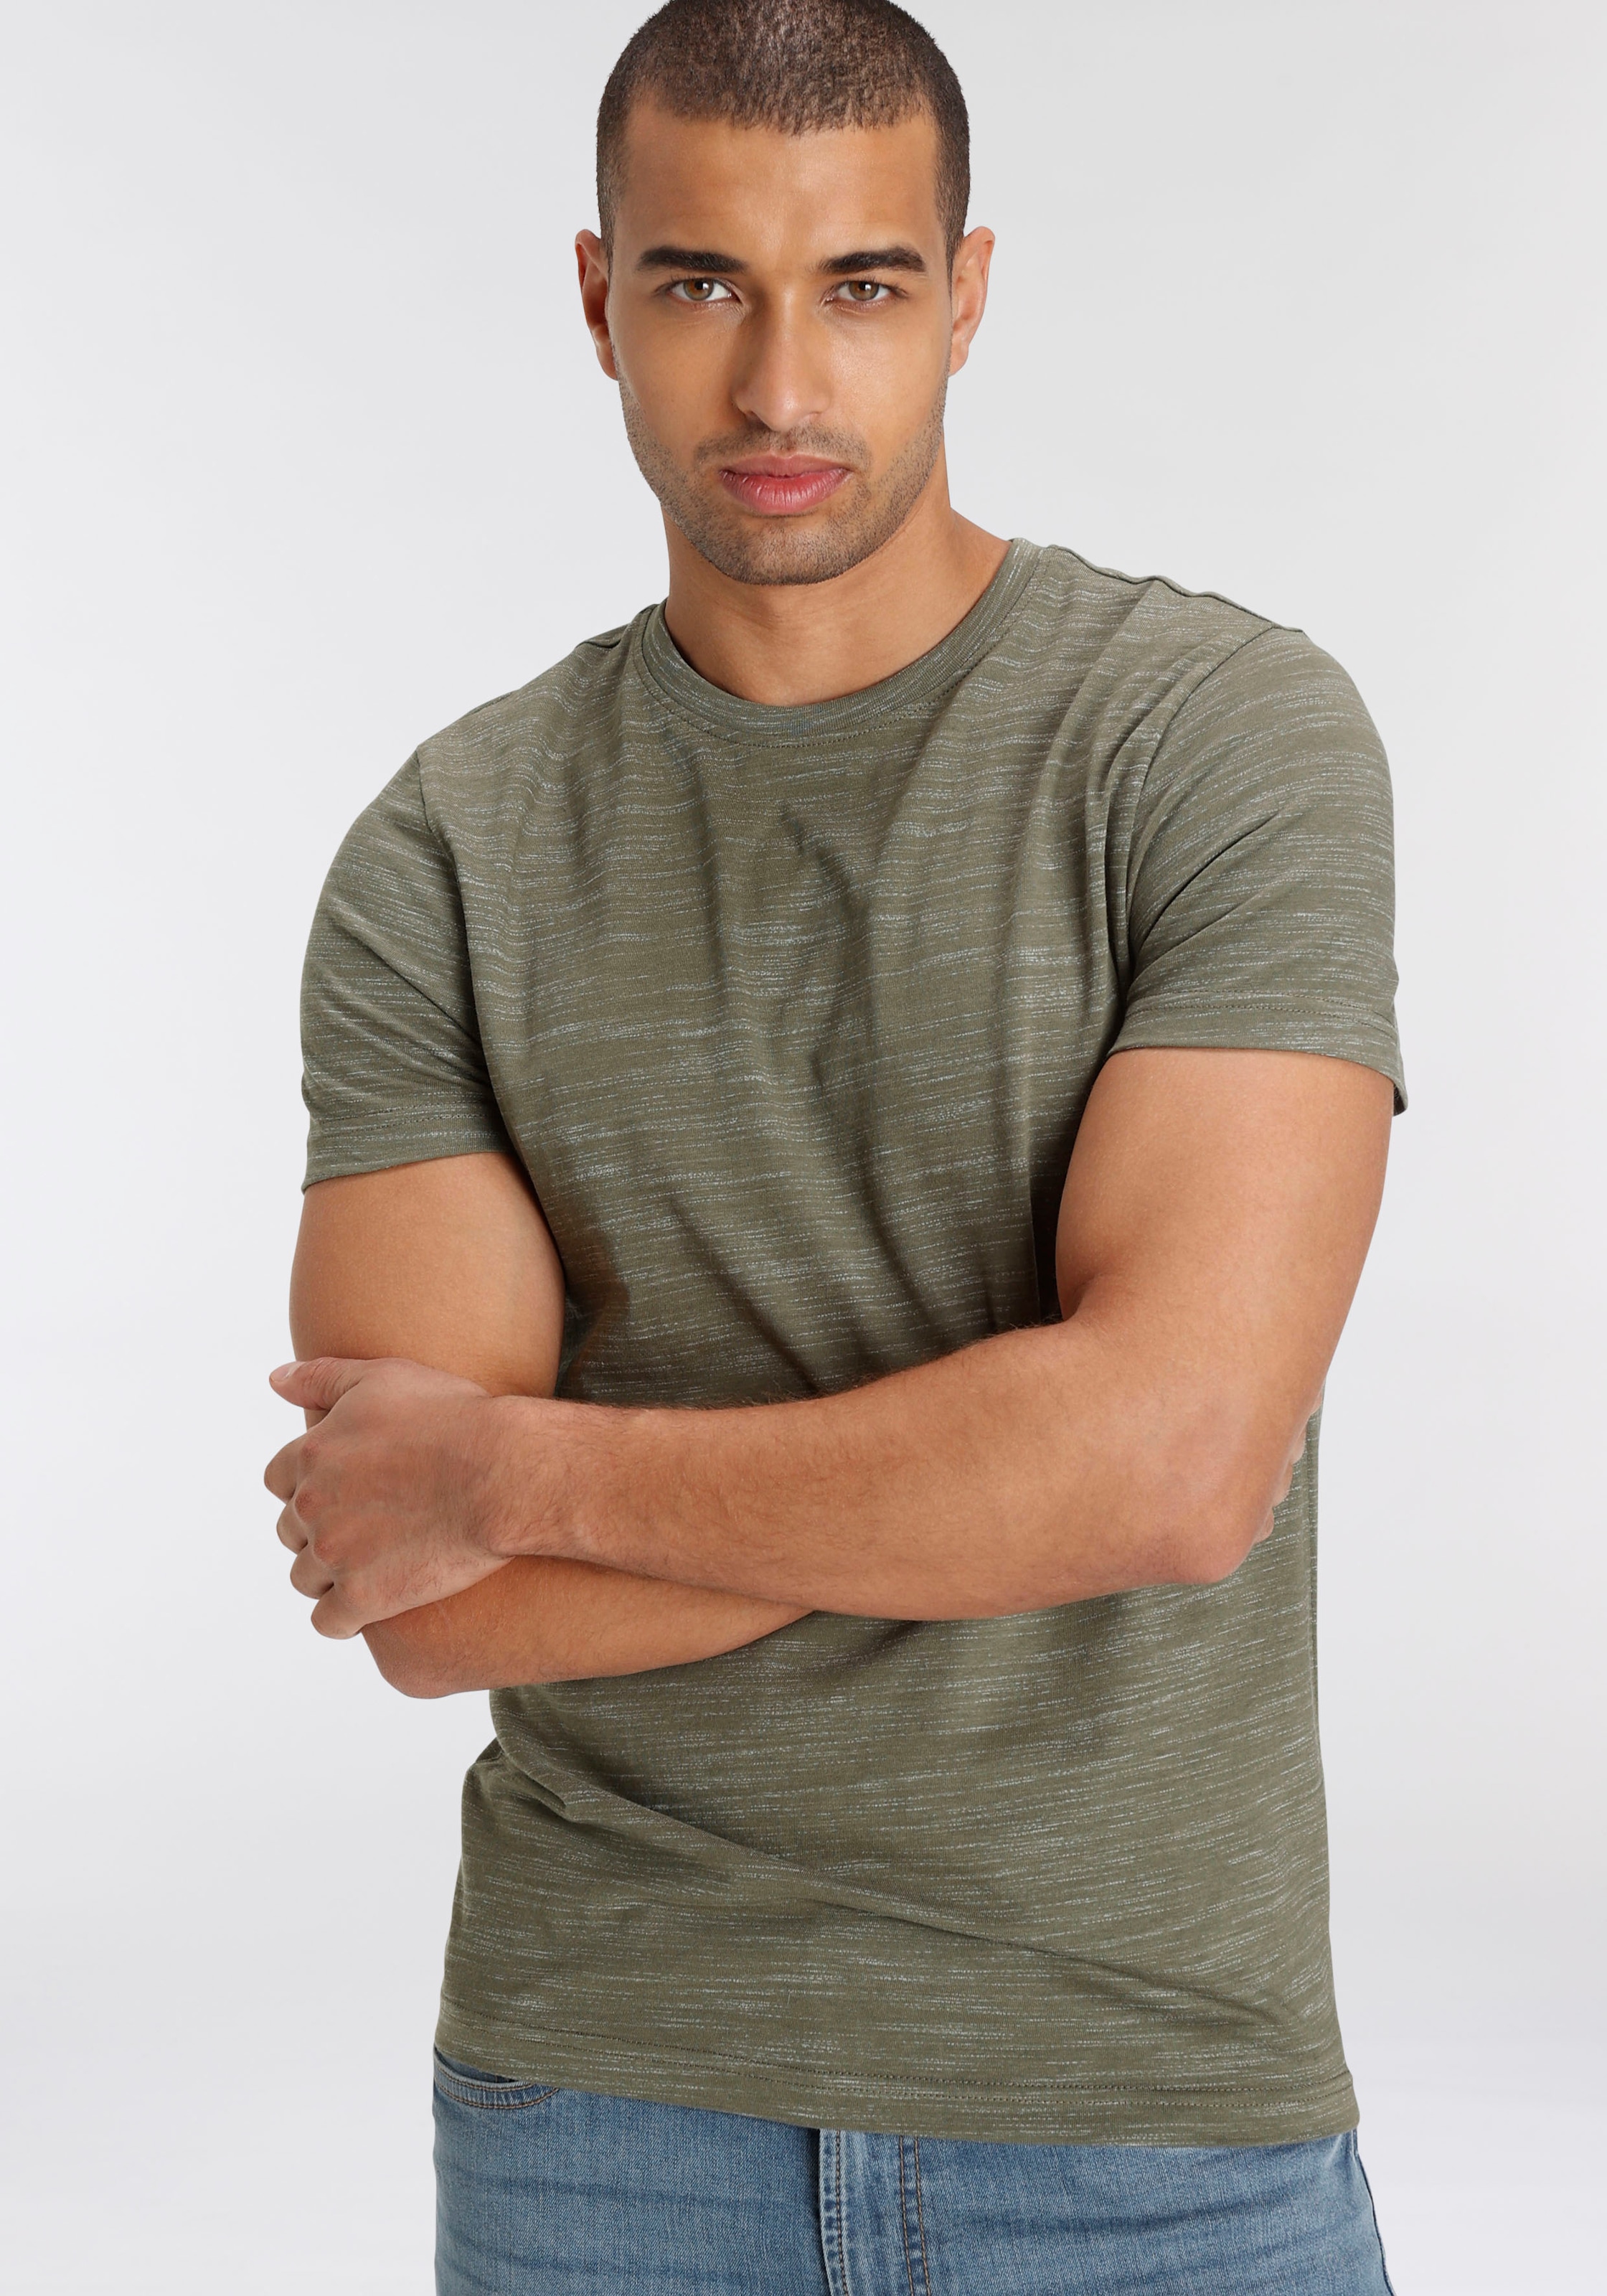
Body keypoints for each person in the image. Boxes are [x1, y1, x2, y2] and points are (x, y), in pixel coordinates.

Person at [265, 2, 1404, 2287]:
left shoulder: (1211, 741)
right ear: (598, 296)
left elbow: (1175, 1470)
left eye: (861, 284)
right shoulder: (453, 850)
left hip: (1148, 2113)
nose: (780, 384)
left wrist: (520, 1465)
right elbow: (429, 1595)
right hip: (606, 2115)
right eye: (700, 282)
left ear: (965, 293)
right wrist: (1012, 1457)